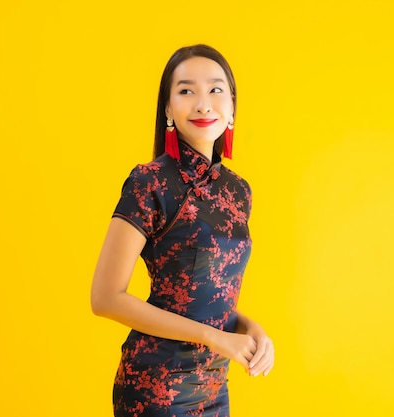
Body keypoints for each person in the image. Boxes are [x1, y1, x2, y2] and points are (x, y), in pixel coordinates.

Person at [91, 44, 274, 417]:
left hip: (214, 385)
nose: (203, 104)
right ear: (169, 109)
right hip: (157, 386)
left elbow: (208, 293)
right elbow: (105, 298)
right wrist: (217, 338)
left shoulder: (238, 191)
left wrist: (251, 328)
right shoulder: (151, 182)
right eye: (187, 91)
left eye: (215, 89)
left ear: (233, 107)